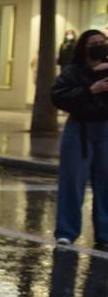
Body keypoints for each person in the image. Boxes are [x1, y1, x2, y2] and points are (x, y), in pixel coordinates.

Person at [50, 28, 108, 250]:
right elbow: (58, 96)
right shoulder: (73, 72)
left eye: (102, 41)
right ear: (84, 47)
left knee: (106, 183)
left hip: (104, 129)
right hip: (79, 130)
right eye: (94, 42)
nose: (99, 45)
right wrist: (90, 89)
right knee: (73, 181)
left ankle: (104, 234)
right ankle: (66, 232)